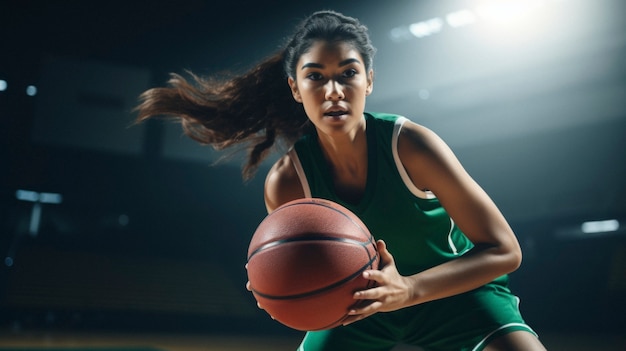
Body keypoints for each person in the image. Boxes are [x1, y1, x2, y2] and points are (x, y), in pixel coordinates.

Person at [135, 10, 547, 351]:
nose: (333, 90)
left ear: (369, 80)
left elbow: (505, 250)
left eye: (347, 73)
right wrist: (276, 282)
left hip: (454, 295)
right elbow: (306, 273)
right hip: (359, 310)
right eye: (315, 77)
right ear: (296, 88)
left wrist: (408, 289)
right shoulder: (288, 183)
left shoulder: (411, 146)